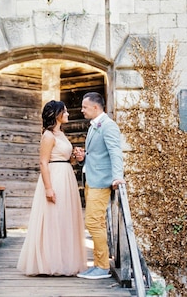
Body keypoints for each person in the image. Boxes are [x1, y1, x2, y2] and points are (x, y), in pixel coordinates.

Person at [17, 100, 87, 276]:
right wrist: (48, 188)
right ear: (57, 114)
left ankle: (63, 261)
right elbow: (43, 161)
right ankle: (49, 263)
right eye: (65, 111)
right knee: (53, 218)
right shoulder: (48, 136)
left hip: (66, 175)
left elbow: (63, 157)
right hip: (54, 177)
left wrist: (76, 157)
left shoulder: (61, 133)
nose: (68, 114)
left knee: (63, 218)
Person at [74, 92, 125, 280]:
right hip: (91, 179)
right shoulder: (94, 126)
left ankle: (102, 267)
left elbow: (115, 152)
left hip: (101, 182)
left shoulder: (108, 126)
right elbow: (97, 154)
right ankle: (97, 264)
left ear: (95, 108)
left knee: (93, 223)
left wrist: (117, 177)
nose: (82, 110)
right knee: (96, 223)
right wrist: (83, 157)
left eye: (84, 107)